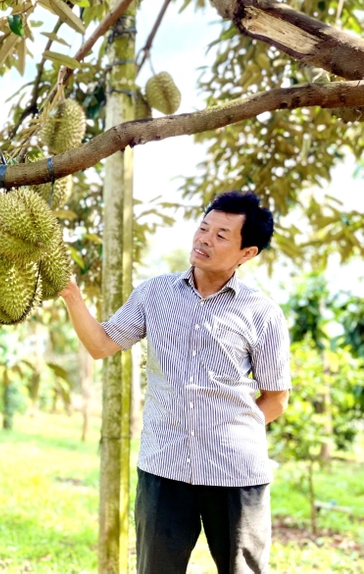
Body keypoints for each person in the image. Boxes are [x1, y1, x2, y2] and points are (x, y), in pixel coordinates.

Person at [60, 191, 291, 574]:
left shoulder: (262, 313)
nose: (204, 239)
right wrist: (72, 296)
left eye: (221, 235)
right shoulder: (154, 294)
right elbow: (101, 345)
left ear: (246, 253)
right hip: (164, 468)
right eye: (203, 228)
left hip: (236, 474)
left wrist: (227, 431)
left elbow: (276, 399)